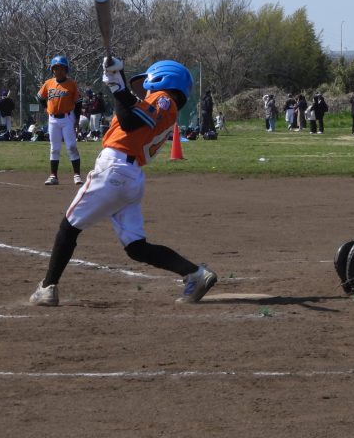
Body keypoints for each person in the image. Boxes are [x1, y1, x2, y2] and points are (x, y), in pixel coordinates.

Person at [30, 58, 217, 307]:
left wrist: (118, 87)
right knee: (136, 247)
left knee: (69, 227)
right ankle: (195, 274)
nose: (146, 89)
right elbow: (130, 109)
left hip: (114, 170)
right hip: (130, 175)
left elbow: (128, 121)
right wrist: (117, 81)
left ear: (163, 78)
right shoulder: (164, 104)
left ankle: (47, 287)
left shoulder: (163, 99)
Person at [37, 55, 82, 185]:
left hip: (68, 118)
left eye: (62, 68)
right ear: (52, 70)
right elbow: (39, 97)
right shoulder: (48, 83)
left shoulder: (71, 84)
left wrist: (77, 120)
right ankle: (53, 176)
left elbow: (78, 103)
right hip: (53, 120)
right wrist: (46, 107)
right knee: (54, 148)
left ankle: (77, 175)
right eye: (56, 68)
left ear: (66, 70)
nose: (59, 71)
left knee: (71, 146)